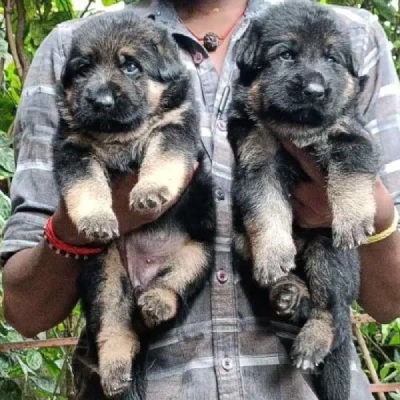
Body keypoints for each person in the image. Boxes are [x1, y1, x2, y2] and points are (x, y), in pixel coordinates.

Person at [2, 0, 400, 398]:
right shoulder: (69, 46)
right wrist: (77, 227)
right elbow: (25, 311)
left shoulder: (354, 34)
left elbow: (391, 301)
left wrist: (372, 214)